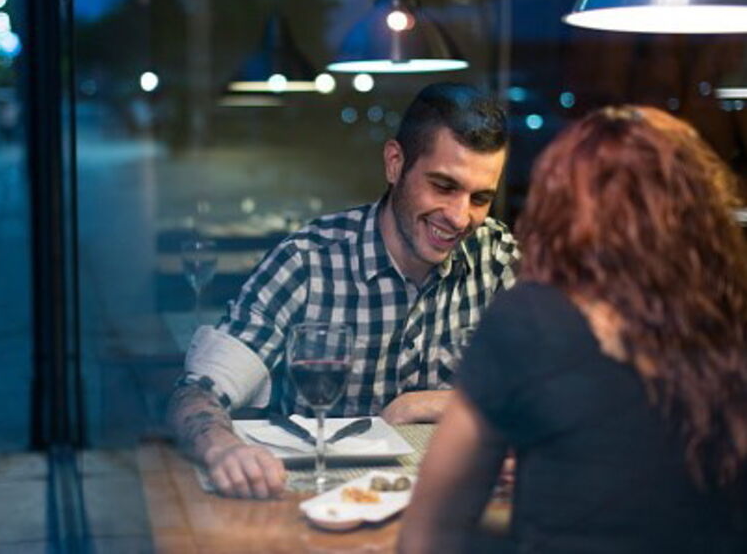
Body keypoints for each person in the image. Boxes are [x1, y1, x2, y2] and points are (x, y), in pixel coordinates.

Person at [399, 106, 747, 553]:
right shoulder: (729, 330)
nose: (462, 215)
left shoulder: (528, 321)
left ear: (561, 212)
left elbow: (428, 534)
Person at [167, 82, 520, 499]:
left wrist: (424, 404)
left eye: (480, 197)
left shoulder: (496, 257)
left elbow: (549, 389)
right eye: (443, 186)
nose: (461, 217)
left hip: (445, 511)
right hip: (314, 508)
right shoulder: (306, 261)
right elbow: (195, 393)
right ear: (394, 163)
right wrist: (223, 449)